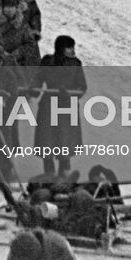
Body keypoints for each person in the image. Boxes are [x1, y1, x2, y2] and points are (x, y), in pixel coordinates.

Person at [34, 35, 86, 174]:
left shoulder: (75, 64)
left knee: (65, 139)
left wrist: (70, 94)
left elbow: (82, 86)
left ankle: (64, 170)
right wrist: (34, 88)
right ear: (61, 48)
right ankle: (49, 170)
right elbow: (38, 79)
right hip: (48, 105)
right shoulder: (47, 62)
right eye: (69, 47)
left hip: (67, 105)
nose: (72, 50)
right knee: (47, 139)